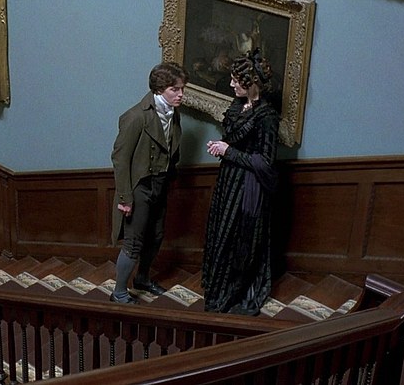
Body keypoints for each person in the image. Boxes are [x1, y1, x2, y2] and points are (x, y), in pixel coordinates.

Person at [201, 48, 280, 316]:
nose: (231, 84)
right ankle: (218, 290)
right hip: (229, 181)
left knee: (240, 240)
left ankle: (234, 292)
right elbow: (233, 141)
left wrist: (228, 152)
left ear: (251, 83)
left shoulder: (266, 117)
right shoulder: (238, 106)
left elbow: (265, 162)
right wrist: (223, 148)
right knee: (222, 233)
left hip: (248, 187)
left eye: (236, 80)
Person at [109, 62, 188, 304]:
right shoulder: (136, 117)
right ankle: (119, 292)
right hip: (139, 187)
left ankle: (142, 279)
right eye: (175, 89)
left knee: (156, 235)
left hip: (160, 184)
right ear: (160, 89)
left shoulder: (173, 113)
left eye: (182, 88)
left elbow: (171, 148)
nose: (181, 94)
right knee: (133, 242)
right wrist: (125, 198)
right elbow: (120, 159)